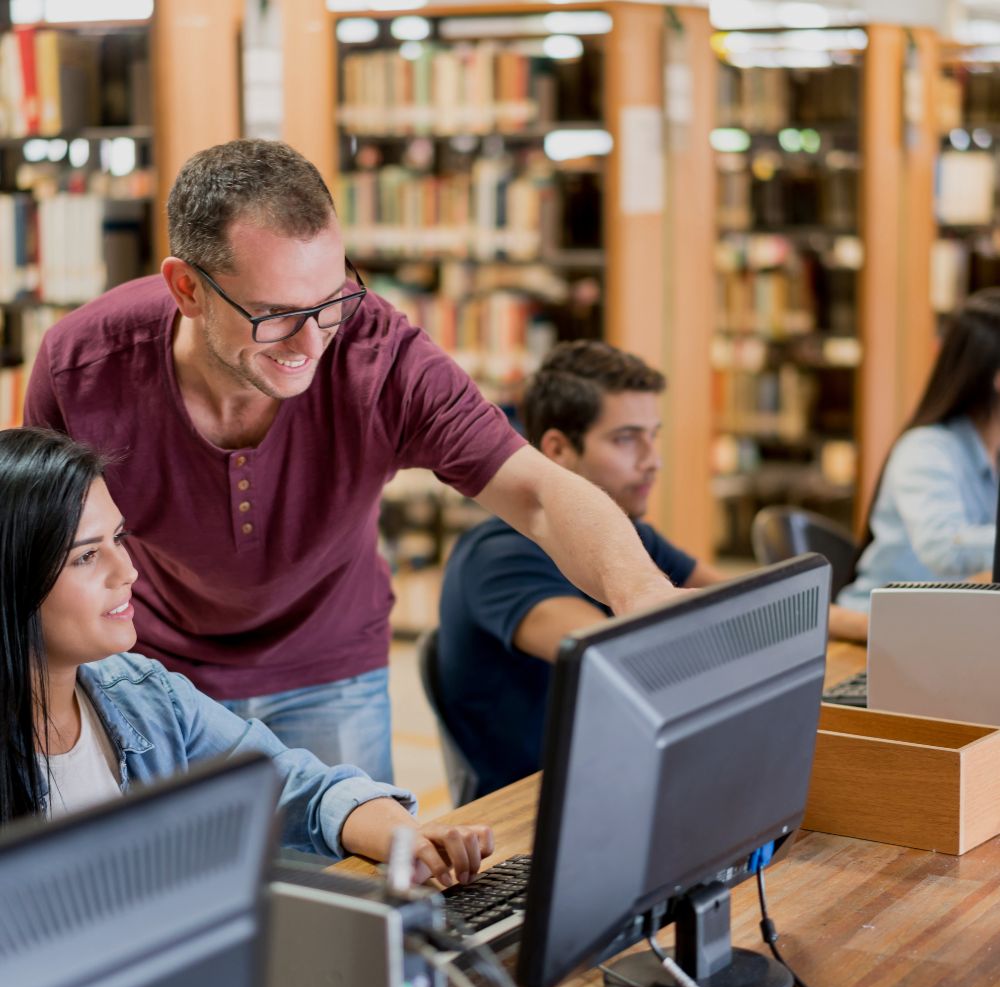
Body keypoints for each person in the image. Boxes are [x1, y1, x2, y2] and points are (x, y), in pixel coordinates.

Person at [23, 139, 677, 783]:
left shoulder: (382, 355)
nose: (312, 343)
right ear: (188, 288)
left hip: (332, 672)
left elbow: (537, 492)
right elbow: (38, 554)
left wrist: (642, 595)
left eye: (332, 299)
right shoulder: (80, 366)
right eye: (275, 314)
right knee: (189, 888)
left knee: (352, 883)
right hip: (160, 673)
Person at [0, 426, 491, 883]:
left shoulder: (143, 694)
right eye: (87, 556)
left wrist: (401, 833)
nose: (126, 570)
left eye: (120, 538)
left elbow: (294, 786)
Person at [437, 341, 869, 797]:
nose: (652, 460)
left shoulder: (626, 536)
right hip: (537, 806)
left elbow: (739, 594)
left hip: (638, 772)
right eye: (626, 438)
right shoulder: (499, 556)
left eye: (653, 435)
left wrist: (871, 626)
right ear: (558, 450)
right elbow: (623, 661)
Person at [838, 289, 1000, 610]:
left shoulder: (992, 451)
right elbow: (943, 548)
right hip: (879, 627)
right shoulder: (925, 451)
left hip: (950, 622)